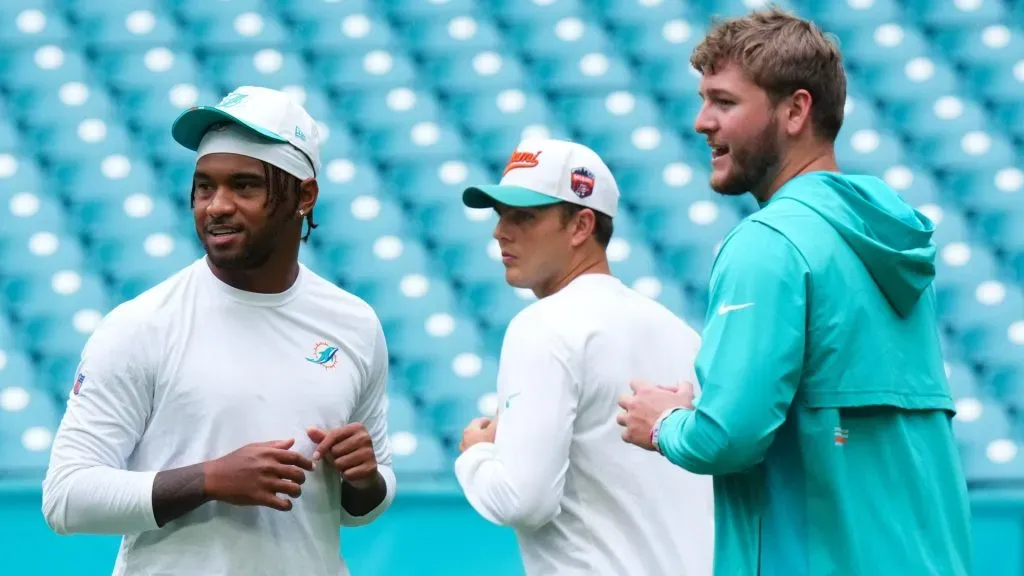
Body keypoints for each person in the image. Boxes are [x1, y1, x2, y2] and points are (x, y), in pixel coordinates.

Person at [616, 8, 973, 576]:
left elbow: (726, 438)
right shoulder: (885, 239)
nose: (701, 121)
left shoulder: (768, 244)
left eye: (724, 102)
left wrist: (664, 423)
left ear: (795, 110)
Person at [41, 85, 397, 576]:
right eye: (205, 186)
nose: (217, 206)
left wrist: (366, 480)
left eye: (245, 186)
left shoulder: (354, 323)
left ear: (305, 195)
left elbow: (362, 506)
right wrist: (209, 479)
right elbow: (66, 497)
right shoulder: (139, 326)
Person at [454, 137, 715, 576]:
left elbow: (524, 500)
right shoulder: (683, 334)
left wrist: (476, 455)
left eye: (524, 216)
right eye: (501, 215)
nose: (500, 230)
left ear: (580, 226)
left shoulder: (543, 325)